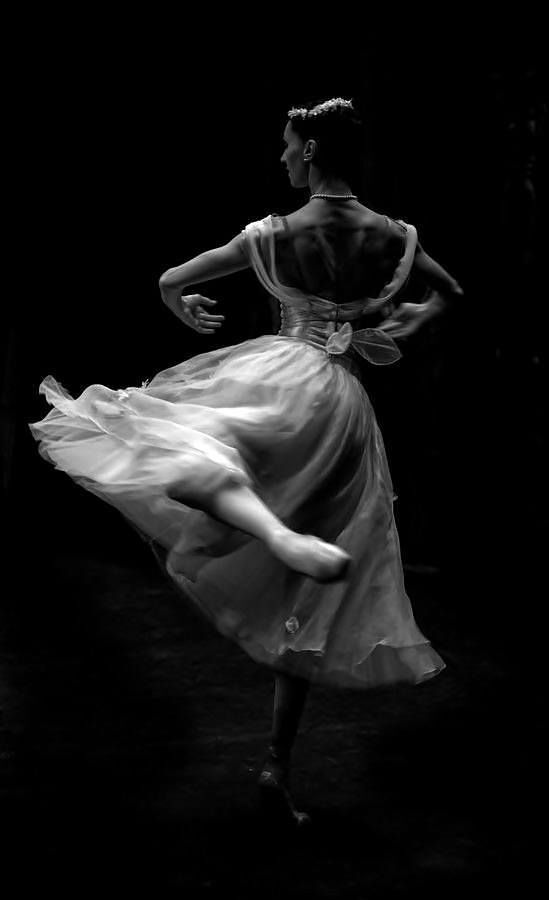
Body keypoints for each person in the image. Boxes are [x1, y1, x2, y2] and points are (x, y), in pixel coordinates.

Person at [29, 96, 463, 828]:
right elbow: (449, 291)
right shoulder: (394, 235)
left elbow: (172, 275)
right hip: (345, 411)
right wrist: (416, 317)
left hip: (281, 376)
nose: (282, 157)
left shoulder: (273, 232)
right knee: (303, 598)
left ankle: (267, 532)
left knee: (181, 445)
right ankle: (274, 764)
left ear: (313, 149)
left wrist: (183, 306)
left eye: (289, 145)